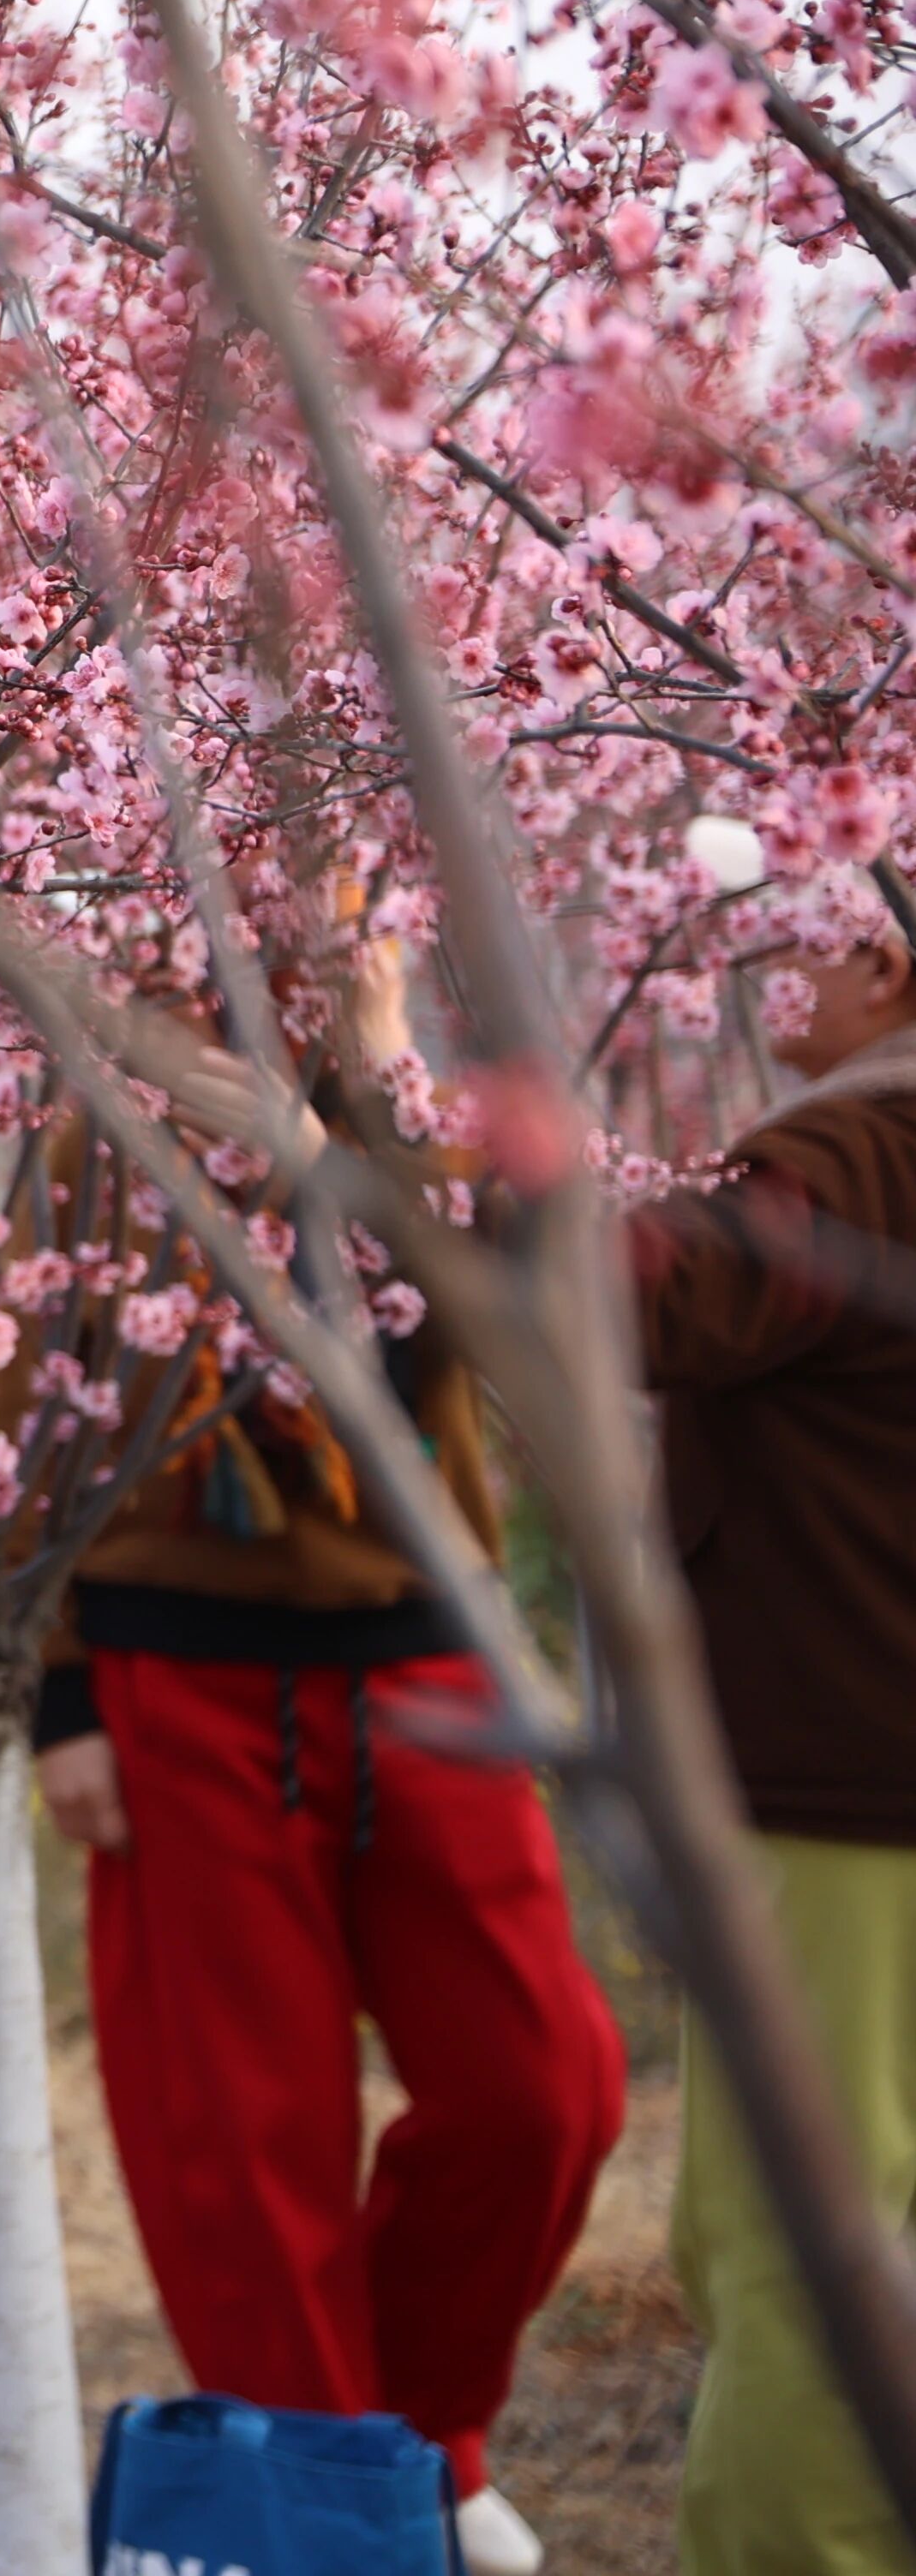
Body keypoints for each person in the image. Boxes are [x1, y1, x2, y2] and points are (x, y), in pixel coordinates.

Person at [34, 947, 625, 2576]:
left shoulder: (406, 1107)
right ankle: (334, 2533)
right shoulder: (109, 1100)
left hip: (420, 1648)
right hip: (175, 1667)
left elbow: (515, 1319)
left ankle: (413, 2454)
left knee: (545, 2090)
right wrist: (62, 1699)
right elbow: (39, 1398)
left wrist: (373, 1067)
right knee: (242, 2153)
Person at [624, 923, 916, 2576]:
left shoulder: (863, 1156)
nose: (748, 963)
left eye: (793, 934)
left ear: (883, 961)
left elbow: (599, 1293)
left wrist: (371, 1132)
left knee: (805, 2245)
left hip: (852, 1799)